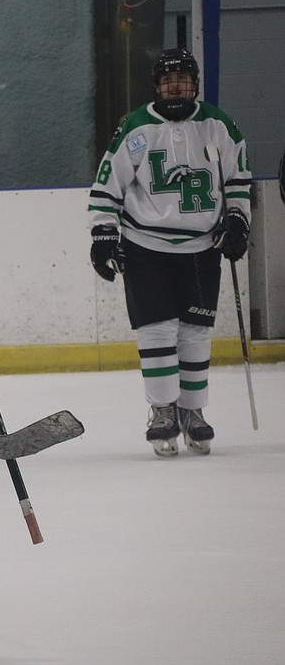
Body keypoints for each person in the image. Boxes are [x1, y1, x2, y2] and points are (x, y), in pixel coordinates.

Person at [88, 47, 252, 457]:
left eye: (182, 79)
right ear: (156, 87)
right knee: (156, 331)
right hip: (145, 246)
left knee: (195, 333)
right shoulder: (135, 127)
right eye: (167, 81)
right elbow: (108, 186)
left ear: (195, 83)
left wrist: (238, 220)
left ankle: (193, 412)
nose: (175, 86)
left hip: (202, 246)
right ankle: (163, 410)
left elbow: (237, 179)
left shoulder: (218, 125)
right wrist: (103, 234)